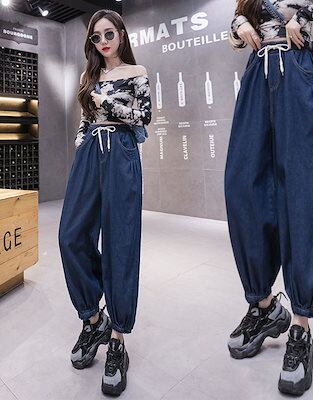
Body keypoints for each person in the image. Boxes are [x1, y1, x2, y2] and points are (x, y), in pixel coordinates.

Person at [225, 0, 313, 396]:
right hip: (257, 75)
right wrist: (240, 23)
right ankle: (265, 306)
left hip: (298, 70)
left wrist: (305, 16)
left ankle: (301, 327)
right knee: (241, 187)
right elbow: (236, 24)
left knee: (302, 194)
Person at [58, 9, 151, 396]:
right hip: (90, 154)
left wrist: (107, 106)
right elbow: (84, 121)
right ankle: (93, 318)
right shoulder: (89, 77)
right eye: (96, 37)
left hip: (122, 152)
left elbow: (143, 117)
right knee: (70, 236)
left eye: (108, 34)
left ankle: (117, 338)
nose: (103, 42)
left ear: (121, 34)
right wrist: (82, 144)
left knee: (120, 243)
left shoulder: (136, 72)